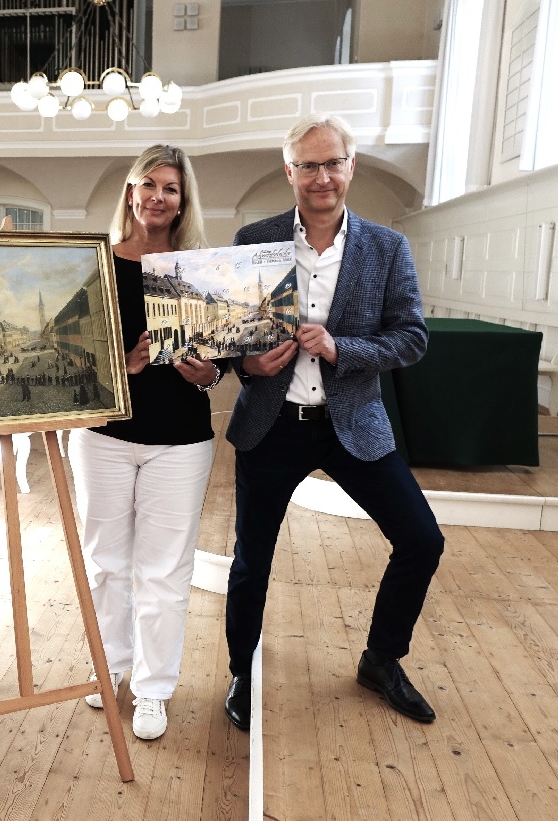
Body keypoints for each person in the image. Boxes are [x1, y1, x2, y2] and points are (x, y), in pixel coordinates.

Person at [222, 113, 445, 731]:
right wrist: (247, 360)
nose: (322, 177)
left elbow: (411, 340)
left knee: (422, 540)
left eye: (333, 163)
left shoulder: (387, 247)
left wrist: (344, 348)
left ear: (352, 167)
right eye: (308, 165)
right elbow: (230, 335)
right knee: (251, 560)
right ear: (289, 172)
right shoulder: (254, 239)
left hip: (354, 423)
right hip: (272, 423)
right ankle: (243, 671)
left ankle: (382, 660)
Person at [67, 145, 221, 741]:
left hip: (179, 440)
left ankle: (154, 689)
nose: (159, 196)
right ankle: (110, 666)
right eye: (148, 183)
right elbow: (70, 356)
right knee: (106, 563)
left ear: (184, 203)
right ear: (130, 191)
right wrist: (119, 368)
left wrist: (206, 372)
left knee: (164, 571)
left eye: (172, 189)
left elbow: (222, 361)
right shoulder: (96, 266)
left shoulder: (200, 270)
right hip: (104, 435)